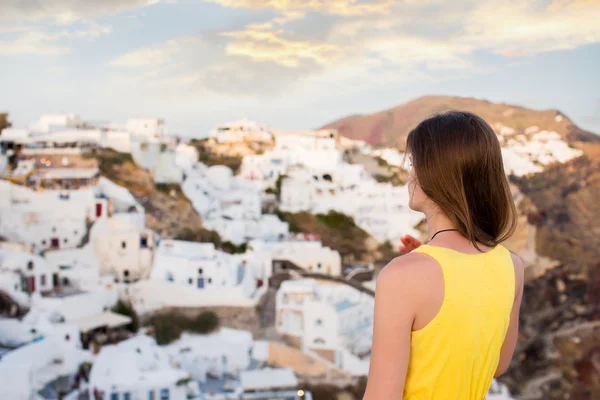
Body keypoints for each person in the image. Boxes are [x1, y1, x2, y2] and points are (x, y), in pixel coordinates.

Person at [363, 111, 524, 400]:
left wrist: (420, 269)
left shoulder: (402, 277)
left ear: (437, 173)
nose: (410, 174)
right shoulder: (512, 266)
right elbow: (496, 364)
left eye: (415, 163)